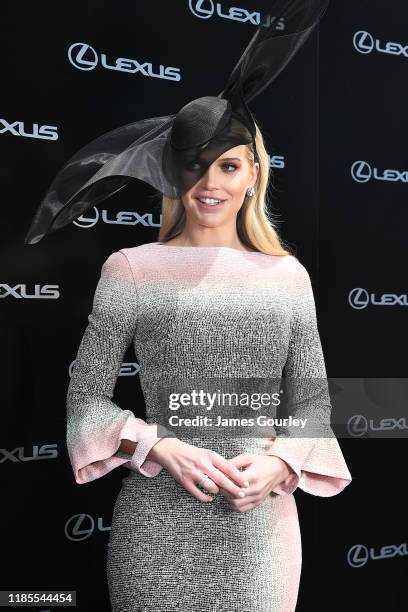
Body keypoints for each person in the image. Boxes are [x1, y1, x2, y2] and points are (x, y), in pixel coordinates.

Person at [22, 2, 351, 609]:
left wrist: (281, 465)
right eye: (195, 166)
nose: (210, 183)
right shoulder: (132, 269)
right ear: (173, 174)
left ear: (253, 173)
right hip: (155, 535)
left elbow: (311, 402)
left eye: (227, 165)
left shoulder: (288, 277)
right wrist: (158, 446)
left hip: (259, 535)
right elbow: (85, 397)